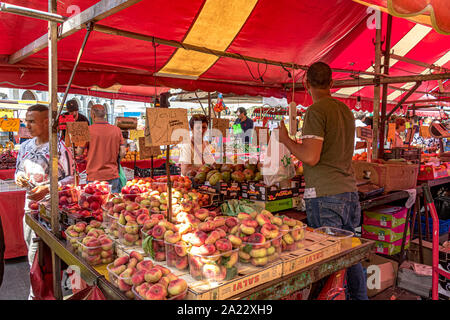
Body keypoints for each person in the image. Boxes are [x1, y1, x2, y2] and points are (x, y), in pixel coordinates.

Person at [278, 62, 368, 300]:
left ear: (306, 84)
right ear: (332, 84)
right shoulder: (346, 111)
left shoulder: (316, 111)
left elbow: (311, 156)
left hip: (326, 195)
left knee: (329, 263)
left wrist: (286, 139)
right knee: (351, 255)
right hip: (348, 193)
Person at [15, 104, 74, 299]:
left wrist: (48, 188)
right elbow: (18, 171)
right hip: (30, 211)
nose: (27, 125)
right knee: (33, 257)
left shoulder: (59, 148)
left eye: (32, 121)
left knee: (49, 258)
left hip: (54, 214)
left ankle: (41, 294)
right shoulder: (24, 146)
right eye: (27, 120)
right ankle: (39, 292)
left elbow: (72, 179)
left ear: (46, 122)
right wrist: (19, 178)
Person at [76, 104, 126, 193]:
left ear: (92, 115)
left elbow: (79, 152)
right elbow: (123, 152)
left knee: (95, 203)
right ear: (105, 114)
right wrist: (116, 161)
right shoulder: (116, 130)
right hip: (112, 174)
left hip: (94, 176)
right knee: (112, 203)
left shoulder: (87, 130)